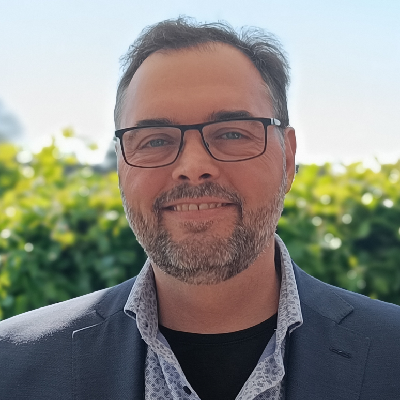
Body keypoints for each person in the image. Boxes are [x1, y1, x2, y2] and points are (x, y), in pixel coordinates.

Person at [1, 17, 399, 400]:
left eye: (232, 134)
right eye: (155, 140)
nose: (193, 167)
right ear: (121, 165)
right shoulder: (12, 366)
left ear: (288, 157)